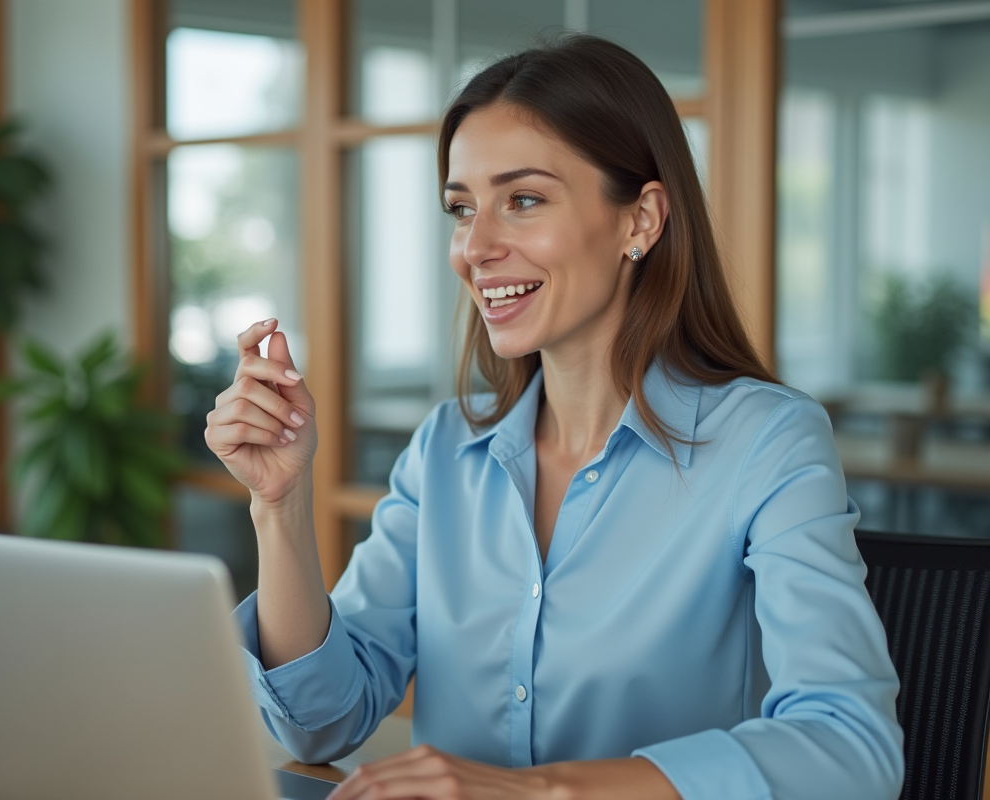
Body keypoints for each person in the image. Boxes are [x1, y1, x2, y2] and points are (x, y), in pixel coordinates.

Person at [204, 34, 903, 800]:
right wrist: (281, 505)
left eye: (524, 200)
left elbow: (851, 747)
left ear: (641, 220)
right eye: (461, 208)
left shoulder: (766, 443)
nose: (474, 247)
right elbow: (320, 723)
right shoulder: (446, 448)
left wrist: (539, 792)